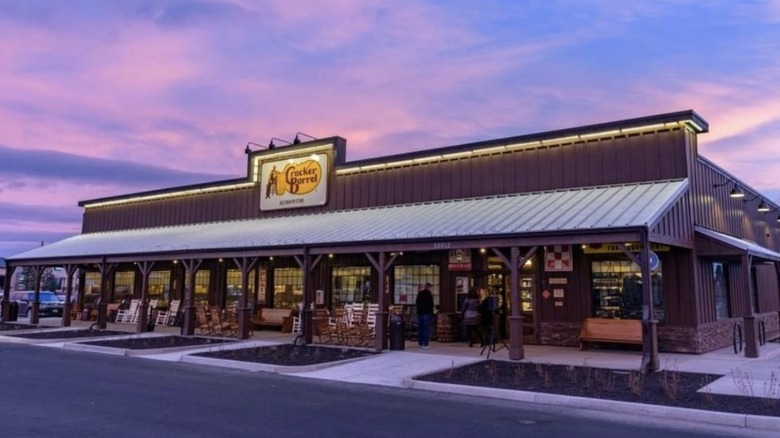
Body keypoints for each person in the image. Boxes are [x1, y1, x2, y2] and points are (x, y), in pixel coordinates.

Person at [415, 282, 434, 348]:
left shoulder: (420, 294)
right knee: (426, 329)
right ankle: (425, 344)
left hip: (420, 313)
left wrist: (419, 310)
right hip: (427, 313)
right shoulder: (429, 295)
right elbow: (431, 305)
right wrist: (431, 313)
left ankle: (420, 343)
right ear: (429, 287)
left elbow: (417, 303)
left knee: (420, 328)